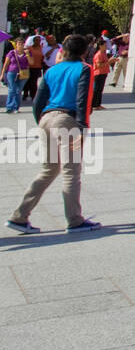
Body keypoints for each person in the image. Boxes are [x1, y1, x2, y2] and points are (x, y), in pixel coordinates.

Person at [6, 34, 101, 234]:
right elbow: (83, 99)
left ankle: (20, 215)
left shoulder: (52, 70)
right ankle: (74, 220)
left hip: (46, 119)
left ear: (63, 50)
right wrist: (83, 127)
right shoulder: (85, 69)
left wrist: (40, 120)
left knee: (48, 169)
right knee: (71, 171)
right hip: (68, 120)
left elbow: (38, 100)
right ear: (84, 52)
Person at [3, 38, 27, 113]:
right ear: (16, 44)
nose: (20, 45)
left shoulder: (27, 52)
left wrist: (28, 54)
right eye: (19, 43)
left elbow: (31, 62)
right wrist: (2, 74)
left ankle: (16, 107)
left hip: (23, 73)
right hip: (11, 72)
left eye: (22, 43)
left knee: (18, 91)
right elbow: (6, 64)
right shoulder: (11, 53)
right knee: (12, 90)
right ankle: (9, 107)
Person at [90, 39, 112, 111]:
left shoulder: (104, 53)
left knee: (100, 89)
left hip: (103, 73)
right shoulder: (98, 54)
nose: (106, 46)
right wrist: (109, 62)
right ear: (100, 46)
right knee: (97, 89)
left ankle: (98, 104)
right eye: (105, 45)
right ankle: (94, 105)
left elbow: (105, 62)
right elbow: (99, 65)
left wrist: (111, 61)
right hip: (98, 73)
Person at [23, 33, 45, 100]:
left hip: (37, 67)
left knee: (34, 82)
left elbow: (43, 57)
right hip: (29, 67)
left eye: (39, 40)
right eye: (36, 40)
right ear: (34, 41)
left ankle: (33, 95)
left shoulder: (41, 48)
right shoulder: (29, 48)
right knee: (27, 81)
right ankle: (25, 94)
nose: (38, 41)